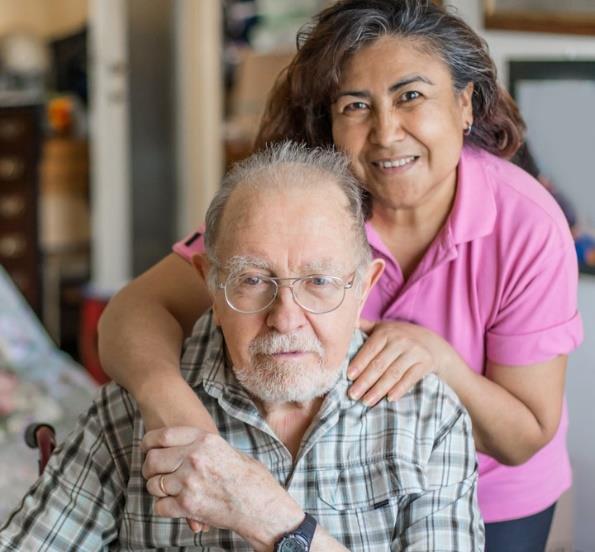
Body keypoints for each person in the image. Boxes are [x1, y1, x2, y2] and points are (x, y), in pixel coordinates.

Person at [98, 1, 583, 549]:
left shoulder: (526, 223)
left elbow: (526, 437)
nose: (386, 131)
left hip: (492, 502)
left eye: (411, 96)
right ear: (329, 123)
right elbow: (131, 312)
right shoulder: (303, 212)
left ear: (464, 105)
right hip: (329, 491)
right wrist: (175, 409)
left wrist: (438, 359)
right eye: (356, 105)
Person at [0, 143, 484, 551]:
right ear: (209, 282)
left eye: (319, 281)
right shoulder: (132, 413)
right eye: (253, 280)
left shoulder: (428, 419)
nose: (286, 318)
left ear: (363, 287)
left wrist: (275, 521)